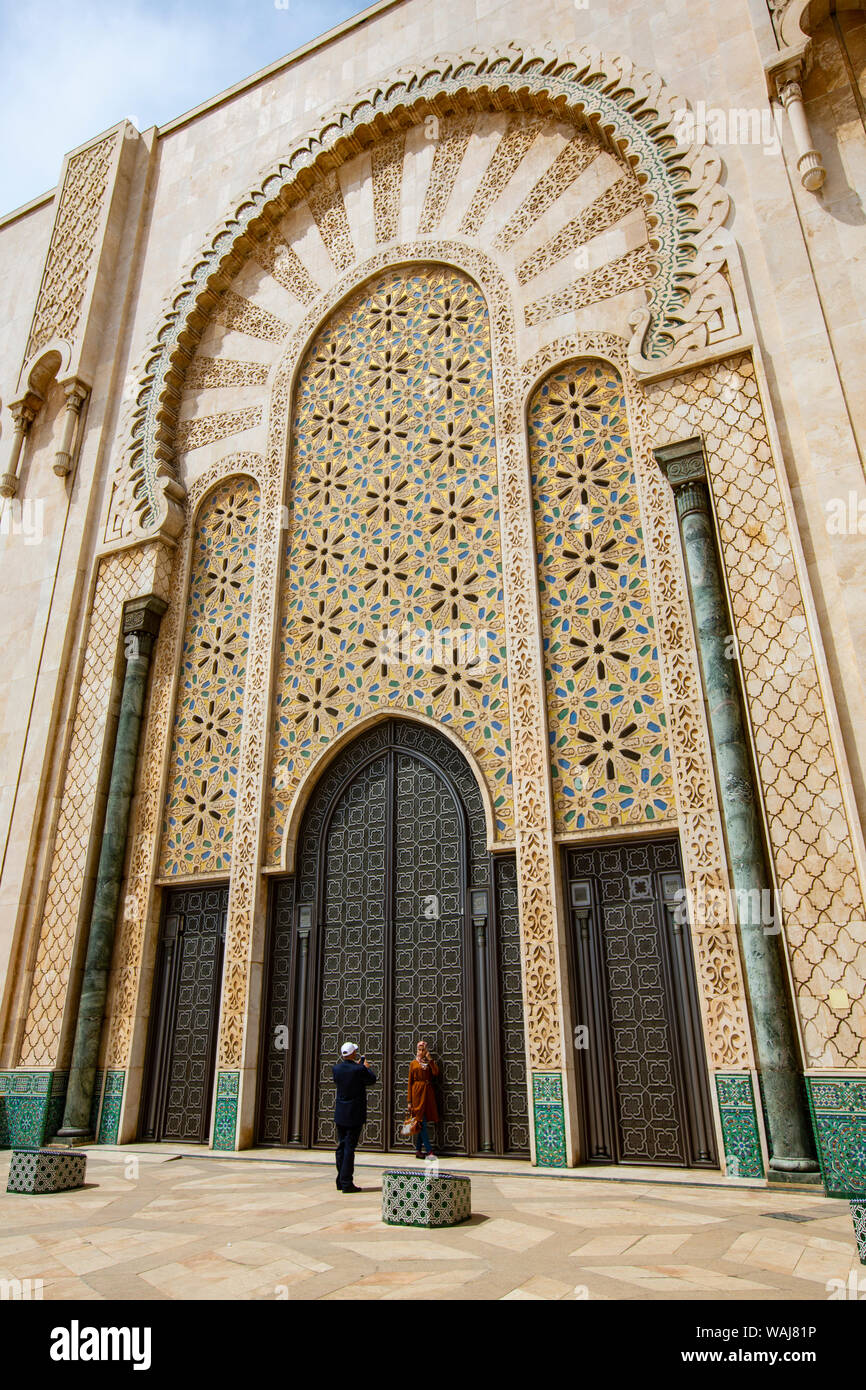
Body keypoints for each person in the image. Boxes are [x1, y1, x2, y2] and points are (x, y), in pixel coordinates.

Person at [332, 1042, 377, 1193]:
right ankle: (346, 1183)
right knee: (349, 1147)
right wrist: (365, 1067)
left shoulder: (336, 1069)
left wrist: (358, 1068)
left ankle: (340, 1180)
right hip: (354, 1114)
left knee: (341, 1146)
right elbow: (372, 1079)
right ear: (352, 1054)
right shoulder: (359, 1069)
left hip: (341, 1113)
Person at [407, 1039, 439, 1158]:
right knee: (421, 1122)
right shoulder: (413, 1063)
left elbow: (436, 1073)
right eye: (419, 1049)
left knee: (421, 1122)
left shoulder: (429, 1062)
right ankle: (429, 1150)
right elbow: (410, 1082)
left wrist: (430, 1059)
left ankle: (418, 1150)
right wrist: (409, 1101)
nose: (420, 1052)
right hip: (417, 1095)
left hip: (428, 1095)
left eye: (422, 1049)